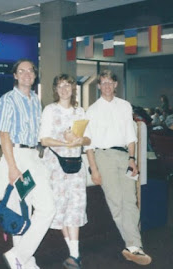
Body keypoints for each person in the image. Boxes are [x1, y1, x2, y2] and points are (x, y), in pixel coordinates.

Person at [84, 70, 152, 266]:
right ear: (98, 86)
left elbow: (131, 135)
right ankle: (134, 245)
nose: (106, 86)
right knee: (116, 203)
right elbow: (88, 145)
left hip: (124, 156)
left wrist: (132, 159)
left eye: (109, 83)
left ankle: (133, 246)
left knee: (130, 200)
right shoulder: (92, 110)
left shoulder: (125, 106)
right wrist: (94, 169)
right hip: (103, 156)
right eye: (102, 83)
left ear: (115, 85)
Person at [0, 59, 56, 269]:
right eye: (22, 71)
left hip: (31, 157)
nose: (27, 74)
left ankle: (22, 259)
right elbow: (4, 134)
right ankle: (21, 258)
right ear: (15, 75)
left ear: (34, 75)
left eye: (30, 71)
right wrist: (12, 167)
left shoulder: (35, 101)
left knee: (30, 210)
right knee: (39, 209)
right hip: (17, 157)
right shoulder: (8, 100)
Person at [39, 74, 91, 269]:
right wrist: (65, 142)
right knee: (61, 208)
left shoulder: (80, 111)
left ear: (72, 89)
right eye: (60, 85)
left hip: (76, 166)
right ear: (55, 89)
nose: (64, 89)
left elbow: (88, 139)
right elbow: (44, 139)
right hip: (55, 166)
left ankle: (74, 255)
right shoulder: (50, 110)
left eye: (67, 85)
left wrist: (79, 141)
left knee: (75, 207)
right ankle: (74, 255)